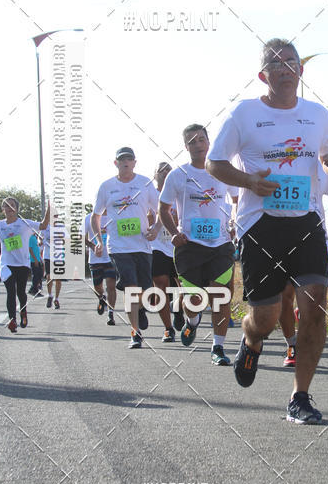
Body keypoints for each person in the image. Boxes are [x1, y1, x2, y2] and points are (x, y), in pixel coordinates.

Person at [207, 38, 328, 424]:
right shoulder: (243, 114)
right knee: (265, 318)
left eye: (292, 61)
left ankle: (300, 397)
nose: (285, 68)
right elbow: (216, 164)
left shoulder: (317, 114)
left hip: (307, 222)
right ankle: (250, 341)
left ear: (302, 70)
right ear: (263, 75)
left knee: (313, 306)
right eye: (276, 63)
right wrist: (250, 181)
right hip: (260, 225)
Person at [159, 126, 237, 365]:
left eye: (202, 139)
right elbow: (164, 209)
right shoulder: (178, 174)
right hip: (189, 245)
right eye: (192, 141)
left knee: (220, 296)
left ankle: (218, 348)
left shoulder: (223, 170)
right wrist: (174, 233)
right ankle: (192, 322)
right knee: (193, 302)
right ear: (186, 147)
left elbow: (237, 199)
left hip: (220, 243)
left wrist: (234, 221)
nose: (198, 144)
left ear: (209, 142)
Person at [278, 164, 328, 368]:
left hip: (313, 241)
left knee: (313, 298)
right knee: (284, 298)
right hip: (278, 240)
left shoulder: (318, 167)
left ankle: (302, 310)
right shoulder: (273, 162)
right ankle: (292, 346)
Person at [92, 147, 159, 349]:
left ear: (135, 163)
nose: (126, 163)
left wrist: (155, 228)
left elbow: (161, 210)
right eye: (122, 160)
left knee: (145, 289)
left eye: (129, 159)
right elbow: (96, 216)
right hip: (119, 247)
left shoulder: (145, 184)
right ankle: (135, 333)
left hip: (142, 246)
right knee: (130, 287)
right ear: (116, 163)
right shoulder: (106, 186)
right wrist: (99, 241)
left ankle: (140, 310)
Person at [0, 197, 49, 331]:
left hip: (22, 264)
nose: (9, 208)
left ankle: (23, 311)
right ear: (2, 210)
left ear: (17, 209)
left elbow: (43, 226)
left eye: (12, 205)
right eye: (6, 206)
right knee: (11, 290)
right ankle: (12, 320)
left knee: (21, 293)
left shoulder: (25, 223)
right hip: (6, 263)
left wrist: (49, 210)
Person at [150, 162, 183, 343]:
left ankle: (178, 309)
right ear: (154, 174)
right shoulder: (149, 194)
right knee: (160, 287)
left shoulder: (179, 192)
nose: (164, 173)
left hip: (179, 247)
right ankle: (168, 329)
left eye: (168, 170)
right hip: (158, 246)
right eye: (160, 170)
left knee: (184, 287)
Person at [84, 210, 116, 325]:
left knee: (111, 286)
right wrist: (93, 247)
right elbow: (80, 237)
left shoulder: (114, 214)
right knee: (97, 287)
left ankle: (111, 313)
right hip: (95, 259)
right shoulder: (88, 218)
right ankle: (102, 298)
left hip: (111, 257)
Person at [27, 232, 44, 296]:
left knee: (39, 275)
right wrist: (35, 259)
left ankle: (33, 288)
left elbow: (37, 247)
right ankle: (34, 290)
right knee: (36, 275)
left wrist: (41, 242)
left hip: (38, 258)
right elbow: (30, 249)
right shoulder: (31, 237)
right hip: (33, 260)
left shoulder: (35, 237)